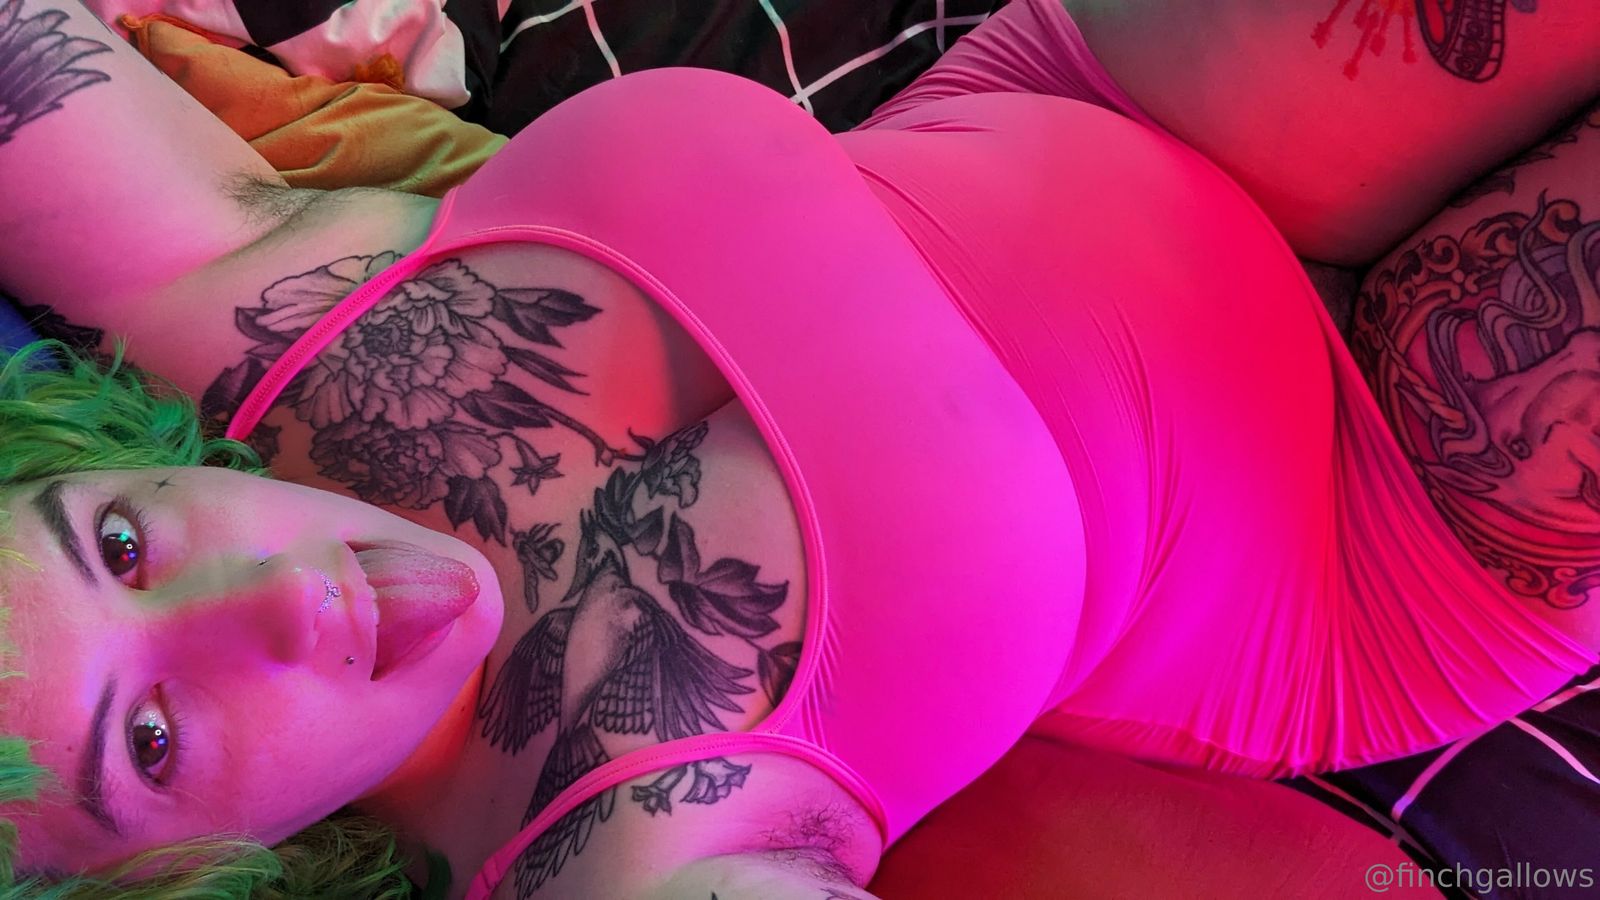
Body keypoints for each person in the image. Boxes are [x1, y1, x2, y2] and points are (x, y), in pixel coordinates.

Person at [0, 0, 1595, 897]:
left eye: (121, 547)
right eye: (154, 740)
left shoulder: (215, 314)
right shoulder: (615, 853)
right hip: (1378, 517)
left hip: (1093, 109)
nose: (276, 602)